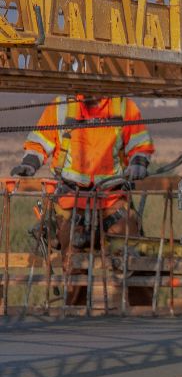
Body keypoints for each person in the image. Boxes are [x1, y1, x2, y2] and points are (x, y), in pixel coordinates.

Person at [11, 95, 153, 306]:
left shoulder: (121, 106)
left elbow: (139, 143)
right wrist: (30, 163)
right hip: (72, 199)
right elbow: (41, 140)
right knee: (73, 257)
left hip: (112, 197)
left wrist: (139, 162)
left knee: (131, 252)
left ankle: (140, 314)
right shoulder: (62, 107)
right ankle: (75, 316)